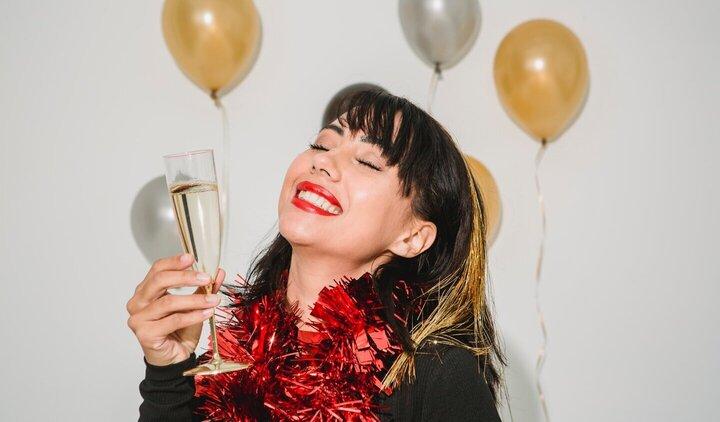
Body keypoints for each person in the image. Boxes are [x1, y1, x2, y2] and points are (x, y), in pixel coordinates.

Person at [126, 89, 507, 421]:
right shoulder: (231, 360)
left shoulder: (437, 373)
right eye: (323, 144)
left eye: (368, 162)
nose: (322, 161)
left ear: (412, 237)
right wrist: (167, 373)